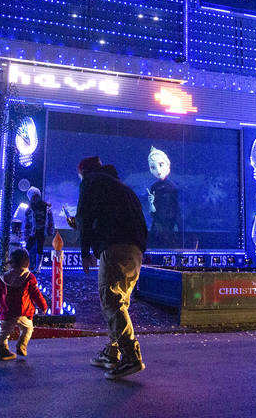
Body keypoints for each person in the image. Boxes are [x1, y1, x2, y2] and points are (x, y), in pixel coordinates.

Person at [75, 155, 148, 379]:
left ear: (84, 172)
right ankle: (113, 351)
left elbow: (84, 217)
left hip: (114, 245)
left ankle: (130, 356)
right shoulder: (121, 187)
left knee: (111, 301)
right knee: (120, 302)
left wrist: (85, 251)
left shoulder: (91, 181)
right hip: (135, 249)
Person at [0, 248, 49, 360]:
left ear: (11, 263)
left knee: (3, 332)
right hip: (23, 312)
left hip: (7, 312)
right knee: (28, 329)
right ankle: (21, 345)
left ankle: (3, 351)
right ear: (27, 263)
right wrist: (43, 306)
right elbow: (36, 294)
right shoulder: (29, 278)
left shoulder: (4, 278)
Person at [146, 147, 181, 248]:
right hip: (158, 226)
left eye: (161, 165)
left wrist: (175, 224)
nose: (158, 171)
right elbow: (152, 211)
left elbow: (176, 208)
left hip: (170, 226)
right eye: (153, 167)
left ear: (167, 164)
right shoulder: (154, 187)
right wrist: (151, 203)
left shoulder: (173, 187)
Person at [24, 187, 55, 272]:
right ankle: (24, 265)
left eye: (37, 196)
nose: (36, 198)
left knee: (39, 248)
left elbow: (50, 219)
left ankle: (38, 267)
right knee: (27, 248)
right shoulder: (29, 209)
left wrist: (50, 229)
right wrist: (26, 233)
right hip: (32, 231)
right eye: (33, 197)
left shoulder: (46, 207)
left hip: (42, 230)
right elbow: (26, 222)